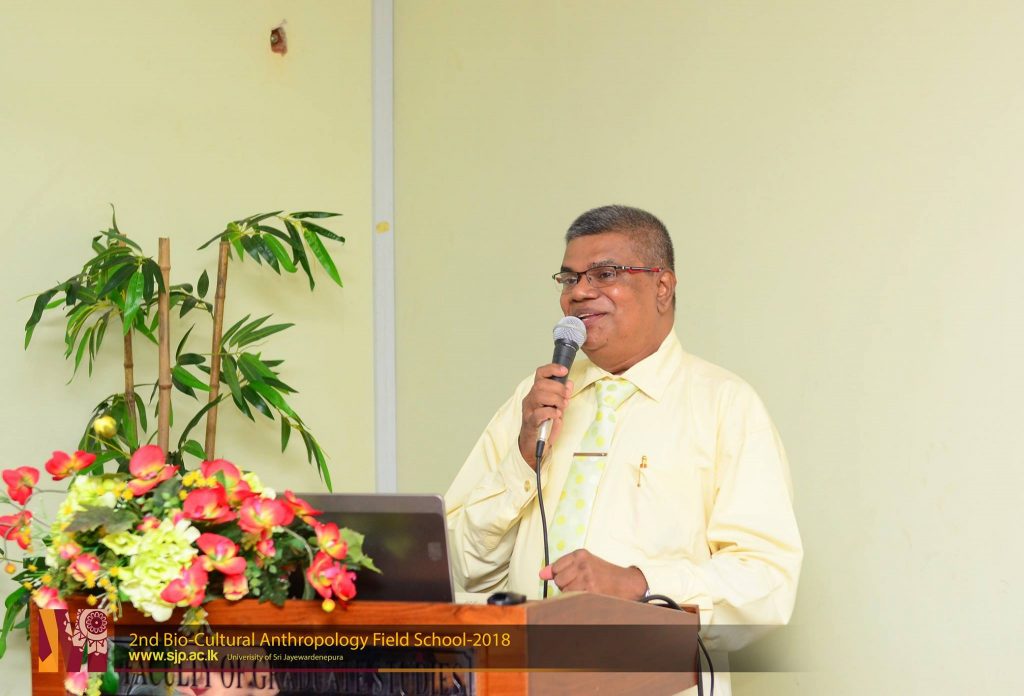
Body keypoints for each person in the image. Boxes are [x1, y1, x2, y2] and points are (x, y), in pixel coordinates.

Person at [445, 205, 802, 690]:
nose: (579, 292)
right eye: (569, 278)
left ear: (662, 286)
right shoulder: (533, 401)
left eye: (605, 274)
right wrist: (521, 463)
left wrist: (641, 583)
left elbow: (767, 584)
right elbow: (463, 571)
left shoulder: (725, 405)